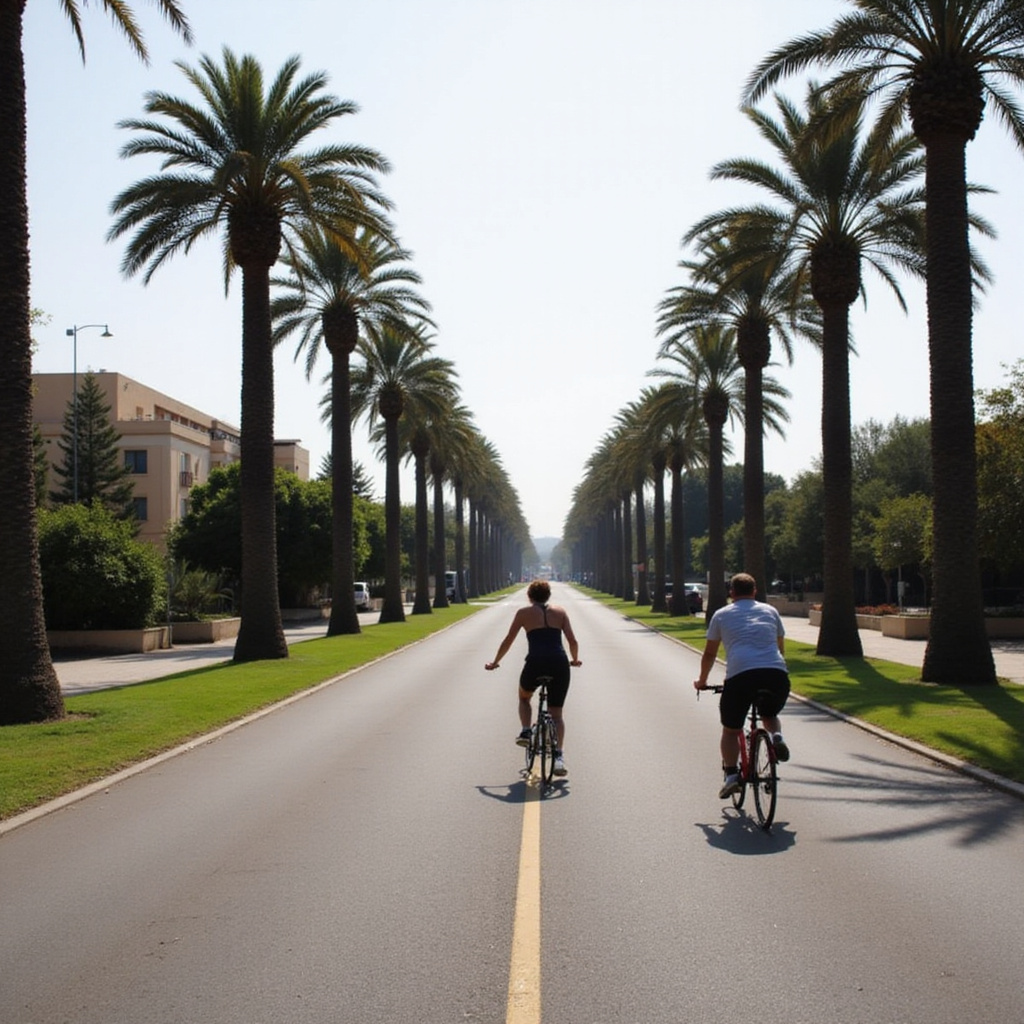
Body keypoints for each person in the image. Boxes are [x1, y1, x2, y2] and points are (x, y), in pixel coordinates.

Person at [693, 572, 791, 798]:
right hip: (776, 673)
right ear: (754, 591)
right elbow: (780, 647)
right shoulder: (770, 611)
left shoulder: (721, 615)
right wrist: (777, 669)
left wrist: (702, 681)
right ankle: (776, 738)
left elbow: (710, 653)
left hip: (741, 676)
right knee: (769, 713)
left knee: (731, 729)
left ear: (732, 592)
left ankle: (731, 776)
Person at [485, 579, 581, 776]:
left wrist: (495, 662)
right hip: (559, 664)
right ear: (548, 595)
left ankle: (526, 730)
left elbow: (508, 641)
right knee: (557, 714)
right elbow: (572, 640)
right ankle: (559, 757)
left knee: (524, 697)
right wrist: (575, 659)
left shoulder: (523, 613)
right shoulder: (560, 612)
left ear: (529, 596)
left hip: (536, 662)